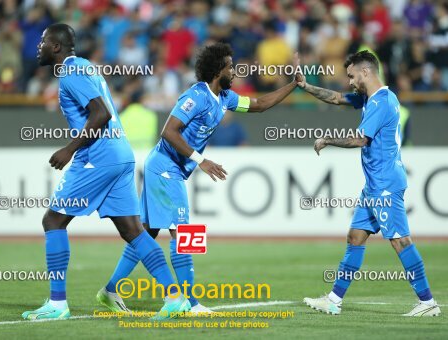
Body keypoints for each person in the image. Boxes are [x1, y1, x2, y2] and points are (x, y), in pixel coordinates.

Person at [103, 43, 299, 313]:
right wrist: (201, 160)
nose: (234, 70)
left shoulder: (225, 97)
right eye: (230, 66)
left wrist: (293, 85)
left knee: (146, 233)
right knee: (184, 234)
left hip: (168, 168)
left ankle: (111, 289)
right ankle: (191, 302)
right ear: (219, 70)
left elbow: (260, 104)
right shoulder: (196, 96)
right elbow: (169, 131)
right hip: (164, 167)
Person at [22, 23, 189, 321]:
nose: (39, 46)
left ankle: (57, 304)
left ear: (57, 47)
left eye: (44, 41)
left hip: (96, 157)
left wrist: (69, 149)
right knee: (133, 231)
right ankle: (174, 297)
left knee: (53, 220)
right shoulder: (87, 68)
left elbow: (102, 113)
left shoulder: (71, 74)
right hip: (120, 155)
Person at [297, 50, 441, 317]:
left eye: (352, 76)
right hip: (374, 185)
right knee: (355, 236)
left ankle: (428, 302)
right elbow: (337, 98)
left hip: (385, 184)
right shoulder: (372, 98)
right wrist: (306, 86)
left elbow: (361, 139)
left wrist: (328, 139)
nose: (350, 82)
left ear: (366, 72)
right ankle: (334, 300)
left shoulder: (381, 102)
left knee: (401, 241)